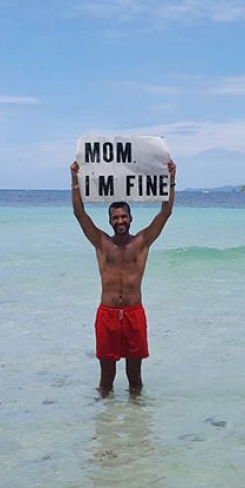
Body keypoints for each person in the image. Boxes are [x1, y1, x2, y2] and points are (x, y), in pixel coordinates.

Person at [70, 159, 177, 397]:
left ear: (131, 218)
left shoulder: (141, 242)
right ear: (109, 221)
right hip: (107, 314)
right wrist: (75, 181)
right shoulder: (101, 243)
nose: (120, 221)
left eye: (124, 216)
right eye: (115, 217)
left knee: (135, 378)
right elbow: (79, 214)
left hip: (133, 314)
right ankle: (103, 427)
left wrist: (170, 179)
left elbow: (166, 212)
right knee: (106, 380)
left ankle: (137, 428)